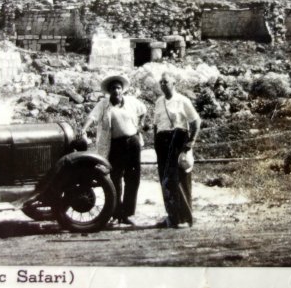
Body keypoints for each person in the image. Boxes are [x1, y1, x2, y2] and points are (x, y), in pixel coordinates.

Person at [80, 74, 146, 226]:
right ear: (109, 91)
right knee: (115, 178)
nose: (116, 91)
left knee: (132, 178)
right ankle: (116, 213)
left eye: (118, 88)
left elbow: (143, 110)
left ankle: (128, 213)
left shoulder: (131, 102)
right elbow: (92, 117)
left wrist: (140, 124)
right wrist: (84, 129)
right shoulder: (104, 104)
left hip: (132, 142)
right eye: (113, 88)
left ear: (122, 90)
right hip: (115, 145)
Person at [152, 73, 201, 229]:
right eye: (161, 82)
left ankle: (186, 217)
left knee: (179, 178)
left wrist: (190, 143)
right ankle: (172, 217)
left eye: (166, 82)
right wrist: (156, 143)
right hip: (162, 141)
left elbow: (196, 121)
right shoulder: (159, 102)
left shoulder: (182, 101)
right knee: (165, 180)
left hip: (178, 139)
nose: (163, 84)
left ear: (174, 83)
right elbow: (156, 124)